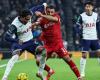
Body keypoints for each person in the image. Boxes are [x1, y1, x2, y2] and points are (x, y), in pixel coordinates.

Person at [33, 5, 82, 80]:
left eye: (52, 12)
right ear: (46, 11)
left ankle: (79, 77)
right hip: (48, 46)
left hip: (58, 44)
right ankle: (50, 71)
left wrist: (42, 15)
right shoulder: (42, 19)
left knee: (68, 60)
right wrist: (33, 25)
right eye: (48, 12)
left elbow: (54, 19)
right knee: (38, 61)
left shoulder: (56, 16)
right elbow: (36, 24)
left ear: (54, 12)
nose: (50, 13)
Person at [2, 4, 47, 80]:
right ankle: (5, 77)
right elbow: (6, 37)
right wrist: (17, 40)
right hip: (19, 43)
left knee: (44, 52)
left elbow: (40, 6)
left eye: (29, 19)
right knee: (14, 57)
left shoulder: (30, 13)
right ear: (21, 17)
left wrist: (44, 6)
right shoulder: (14, 25)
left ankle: (40, 72)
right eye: (26, 19)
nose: (28, 21)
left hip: (30, 41)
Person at [76, 1, 100, 78]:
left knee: (99, 53)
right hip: (85, 38)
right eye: (86, 6)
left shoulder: (96, 15)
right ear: (85, 8)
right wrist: (80, 34)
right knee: (84, 55)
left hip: (94, 38)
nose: (88, 8)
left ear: (92, 7)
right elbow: (77, 26)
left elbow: (98, 26)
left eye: (89, 6)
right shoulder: (81, 16)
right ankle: (82, 73)